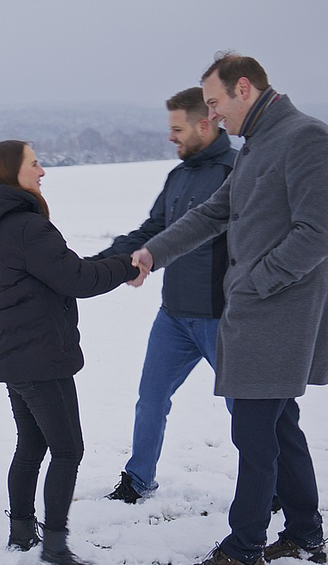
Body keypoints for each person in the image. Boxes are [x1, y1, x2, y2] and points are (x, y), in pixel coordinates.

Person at [131, 53, 328, 565]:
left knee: (254, 433)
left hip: (280, 312)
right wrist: (154, 253)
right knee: (278, 425)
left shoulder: (306, 137)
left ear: (243, 88)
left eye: (216, 103)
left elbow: (316, 234)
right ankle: (304, 532)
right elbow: (214, 212)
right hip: (259, 311)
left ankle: (244, 551)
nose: (214, 115)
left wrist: (254, 281)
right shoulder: (260, 144)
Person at [0, 140, 143, 565]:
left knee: (31, 444)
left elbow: (61, 272)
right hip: (41, 357)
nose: (43, 171)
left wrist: (109, 261)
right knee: (67, 449)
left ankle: (22, 534)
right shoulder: (26, 226)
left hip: (16, 353)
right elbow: (77, 279)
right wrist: (127, 267)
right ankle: (54, 554)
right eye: (35, 163)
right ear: (11, 173)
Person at [97, 87, 237, 503]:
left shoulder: (236, 171)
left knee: (245, 412)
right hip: (174, 316)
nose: (171, 137)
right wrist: (99, 262)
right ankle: (138, 480)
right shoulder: (178, 177)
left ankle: (273, 486)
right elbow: (151, 230)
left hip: (222, 317)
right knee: (151, 399)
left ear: (204, 123)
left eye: (177, 129)